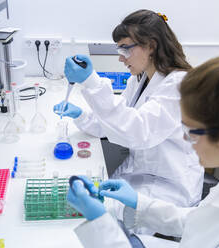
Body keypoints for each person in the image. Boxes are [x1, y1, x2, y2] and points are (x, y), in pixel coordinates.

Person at [67, 49, 219, 248]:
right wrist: (137, 202)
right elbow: (197, 221)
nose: (184, 139)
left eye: (191, 132)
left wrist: (99, 224)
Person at [54, 9, 203, 212]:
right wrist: (81, 115)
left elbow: (138, 131)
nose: (121, 58)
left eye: (125, 49)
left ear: (151, 46)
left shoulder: (179, 85)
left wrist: (92, 81)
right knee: (82, 205)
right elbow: (114, 123)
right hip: (139, 175)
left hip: (168, 187)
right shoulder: (140, 79)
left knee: (94, 215)